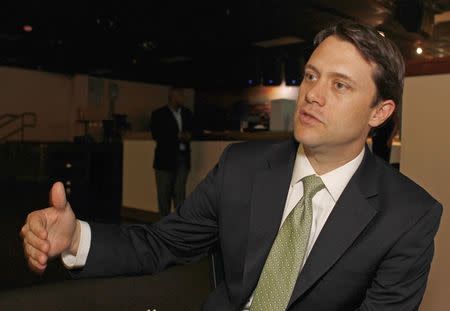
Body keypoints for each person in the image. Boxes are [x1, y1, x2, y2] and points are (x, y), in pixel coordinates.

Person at [21, 21, 442, 310]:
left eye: (339, 85)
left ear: (380, 112)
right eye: (311, 76)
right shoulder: (242, 166)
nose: (312, 94)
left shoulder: (408, 215)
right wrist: (76, 237)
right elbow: (161, 243)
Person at [150, 87, 193, 216]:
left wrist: (189, 135)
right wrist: (176, 136)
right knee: (164, 195)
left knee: (180, 195)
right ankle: (164, 228)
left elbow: (196, 129)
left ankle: (178, 227)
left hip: (183, 158)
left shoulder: (187, 113)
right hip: (165, 159)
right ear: (172, 95)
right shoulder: (159, 114)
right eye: (181, 94)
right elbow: (156, 134)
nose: (183, 98)